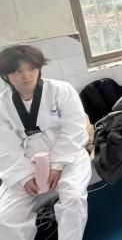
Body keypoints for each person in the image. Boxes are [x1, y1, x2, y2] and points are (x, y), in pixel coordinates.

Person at [0, 45, 91, 240]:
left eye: (31, 68)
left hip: (67, 157)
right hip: (24, 164)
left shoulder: (61, 90)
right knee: (5, 217)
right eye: (18, 71)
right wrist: (24, 177)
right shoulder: (2, 104)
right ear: (6, 75)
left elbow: (74, 129)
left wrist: (57, 165)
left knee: (73, 198)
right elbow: (4, 146)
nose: (26, 76)